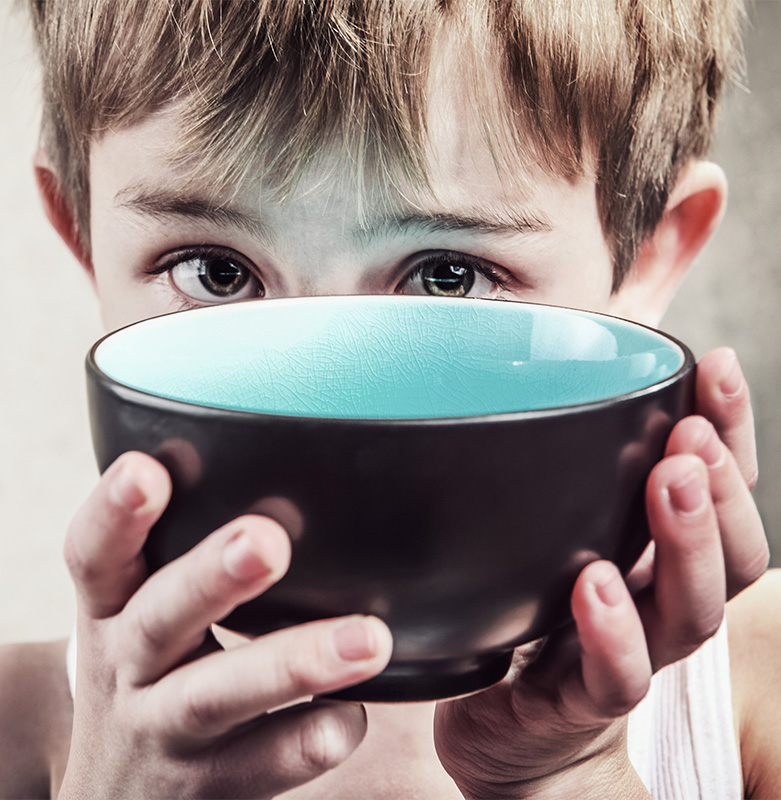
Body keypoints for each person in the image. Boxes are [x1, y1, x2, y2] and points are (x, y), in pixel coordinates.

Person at [1, 0, 778, 797]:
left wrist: (569, 777)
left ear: (648, 255)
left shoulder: (760, 686)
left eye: (447, 276)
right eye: (216, 272)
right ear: (83, 237)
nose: (322, 393)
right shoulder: (20, 732)